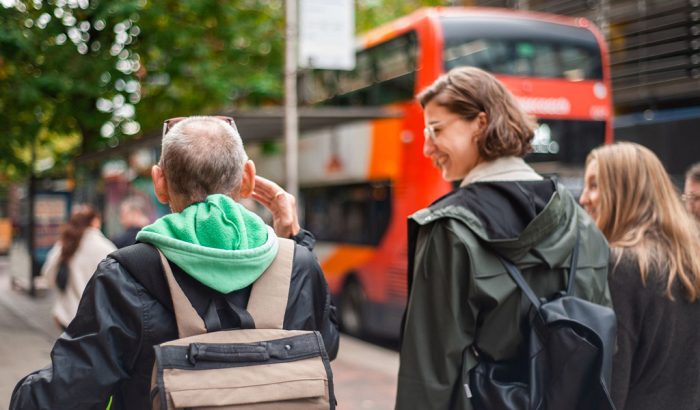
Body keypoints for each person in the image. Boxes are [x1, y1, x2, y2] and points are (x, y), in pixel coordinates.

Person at [11, 116, 339, 409]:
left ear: (160, 183)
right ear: (248, 178)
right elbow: (328, 343)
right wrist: (293, 237)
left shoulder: (125, 275)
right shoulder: (298, 264)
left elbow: (67, 394)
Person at [394, 67, 612, 409]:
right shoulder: (584, 227)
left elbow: (428, 375)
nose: (426, 147)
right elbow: (603, 349)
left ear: (480, 123)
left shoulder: (448, 229)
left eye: (436, 129)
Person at [579, 142, 700, 410]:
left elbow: (609, 388)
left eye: (595, 185)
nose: (583, 198)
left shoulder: (618, 266)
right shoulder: (689, 262)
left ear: (625, 191)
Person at [40, 204, 116, 330]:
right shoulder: (107, 248)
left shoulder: (64, 244)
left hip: (66, 317)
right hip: (97, 320)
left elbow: (48, 274)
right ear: (95, 222)